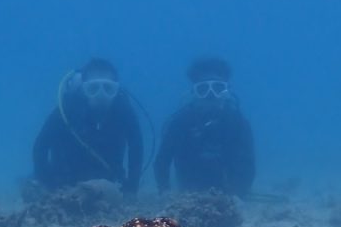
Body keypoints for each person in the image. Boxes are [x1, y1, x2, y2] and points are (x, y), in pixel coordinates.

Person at [33, 58, 143, 195]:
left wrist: (132, 188)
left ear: (116, 89)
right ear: (83, 89)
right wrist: (47, 184)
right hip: (65, 184)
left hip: (109, 182)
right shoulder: (68, 108)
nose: (101, 95)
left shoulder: (124, 110)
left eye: (108, 88)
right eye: (93, 88)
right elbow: (40, 146)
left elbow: (136, 147)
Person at [154, 58, 255, 196]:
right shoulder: (180, 122)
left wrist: (239, 193)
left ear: (226, 91)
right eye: (203, 89)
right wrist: (164, 190)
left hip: (229, 193)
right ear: (194, 93)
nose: (210, 95)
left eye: (218, 88)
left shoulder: (238, 123)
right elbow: (162, 160)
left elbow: (248, 163)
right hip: (188, 191)